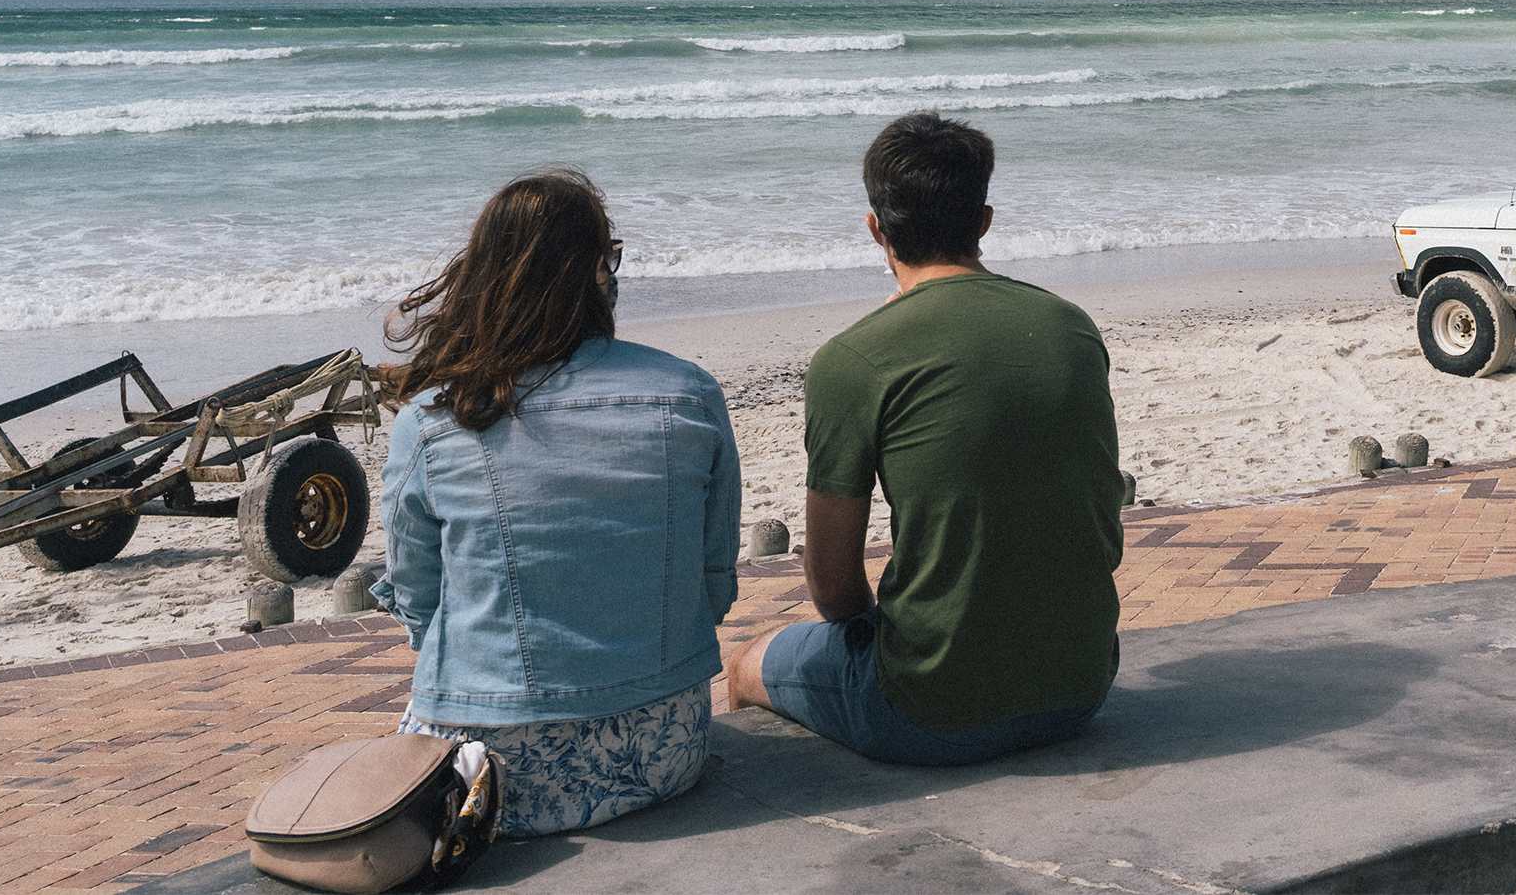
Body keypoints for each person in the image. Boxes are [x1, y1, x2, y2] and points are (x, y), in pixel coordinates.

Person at [725, 111, 1122, 765]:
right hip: (1079, 688)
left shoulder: (853, 360)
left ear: (876, 228)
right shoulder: (1070, 328)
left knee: (745, 664)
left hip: (925, 712)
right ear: (984, 221)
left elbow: (832, 590)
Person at [374, 170, 740, 836]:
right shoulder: (688, 393)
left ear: (482, 276)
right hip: (666, 745)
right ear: (600, 272)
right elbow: (713, 583)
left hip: (491, 769)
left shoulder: (432, 419)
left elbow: (417, 600)